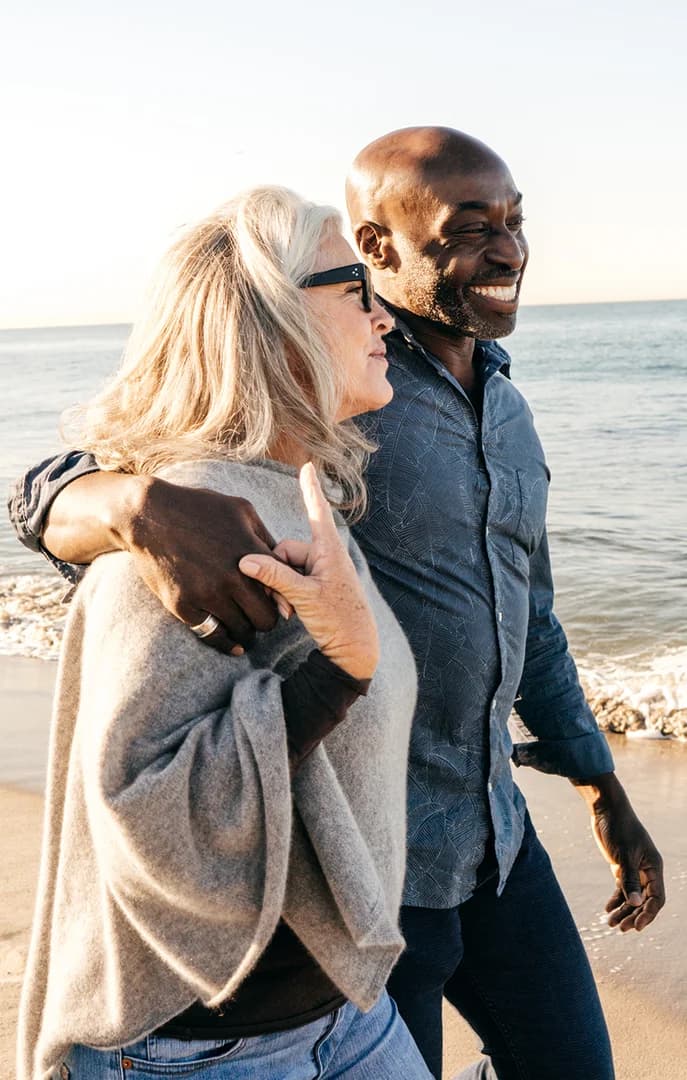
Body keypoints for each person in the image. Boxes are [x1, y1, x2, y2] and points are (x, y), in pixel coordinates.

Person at [9, 130, 665, 1080]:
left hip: (493, 832)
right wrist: (127, 503)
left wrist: (599, 782)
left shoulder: (506, 412)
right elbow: (81, 473)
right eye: (466, 229)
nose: (507, 249)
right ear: (380, 248)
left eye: (515, 222)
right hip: (361, 870)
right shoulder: (329, 401)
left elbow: (535, 614)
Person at [16, 187, 435, 1080]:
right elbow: (147, 813)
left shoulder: (294, 492)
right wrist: (339, 674)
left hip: (342, 1022)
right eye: (355, 287)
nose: (383, 316)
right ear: (268, 320)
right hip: (198, 1051)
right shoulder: (195, 530)